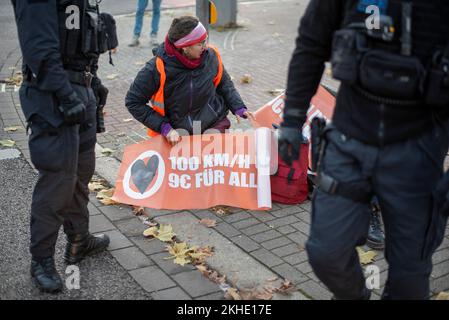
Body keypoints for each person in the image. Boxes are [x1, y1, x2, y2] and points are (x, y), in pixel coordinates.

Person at [278, 0, 449, 299]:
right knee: (325, 252)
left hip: (418, 151)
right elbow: (311, 44)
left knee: (410, 280)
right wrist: (292, 118)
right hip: (349, 139)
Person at [11, 0, 115, 293]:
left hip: (81, 90)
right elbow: (39, 48)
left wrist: (91, 82)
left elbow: (81, 38)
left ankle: (79, 240)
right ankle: (41, 260)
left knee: (81, 174)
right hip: (52, 97)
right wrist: (66, 95)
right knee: (58, 180)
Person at [125, 16, 253, 144]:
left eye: (205, 40)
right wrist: (164, 127)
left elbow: (224, 84)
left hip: (214, 125)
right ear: (184, 47)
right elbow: (133, 101)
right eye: (200, 43)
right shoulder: (156, 68)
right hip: (178, 136)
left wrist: (238, 106)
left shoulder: (211, 56)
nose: (205, 46)